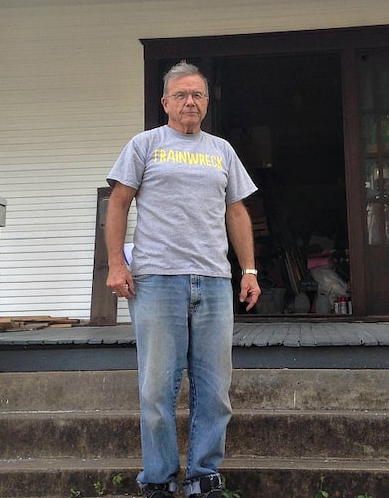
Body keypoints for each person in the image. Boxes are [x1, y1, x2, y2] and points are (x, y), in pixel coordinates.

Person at [105, 60, 261, 498]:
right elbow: (118, 204)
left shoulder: (222, 150)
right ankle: (157, 478)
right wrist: (117, 265)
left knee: (214, 389)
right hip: (156, 280)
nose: (190, 102)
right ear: (165, 103)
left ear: (206, 103)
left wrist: (247, 270)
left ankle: (203, 474)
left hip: (212, 280)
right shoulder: (144, 145)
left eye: (198, 95)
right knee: (157, 388)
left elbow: (236, 211)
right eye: (181, 95)